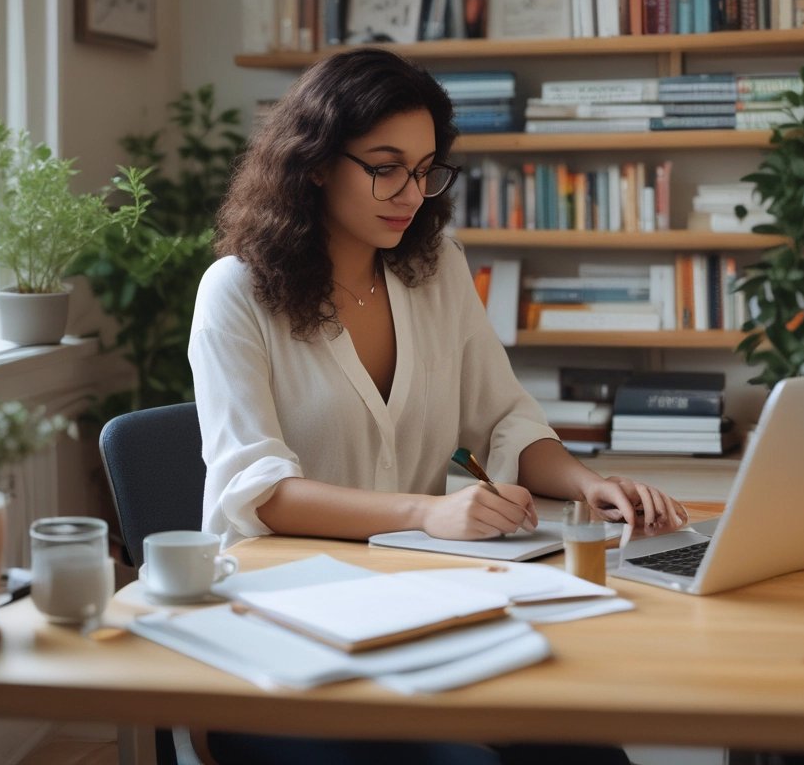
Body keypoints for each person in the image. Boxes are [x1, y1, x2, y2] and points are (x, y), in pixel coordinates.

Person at [189, 48, 687, 765]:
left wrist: (589, 485)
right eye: (385, 166)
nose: (410, 192)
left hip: (419, 611)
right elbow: (258, 491)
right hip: (284, 632)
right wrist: (427, 514)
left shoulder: (435, 270)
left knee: (587, 753)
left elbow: (503, 418)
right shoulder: (236, 292)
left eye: (424, 170)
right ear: (318, 162)